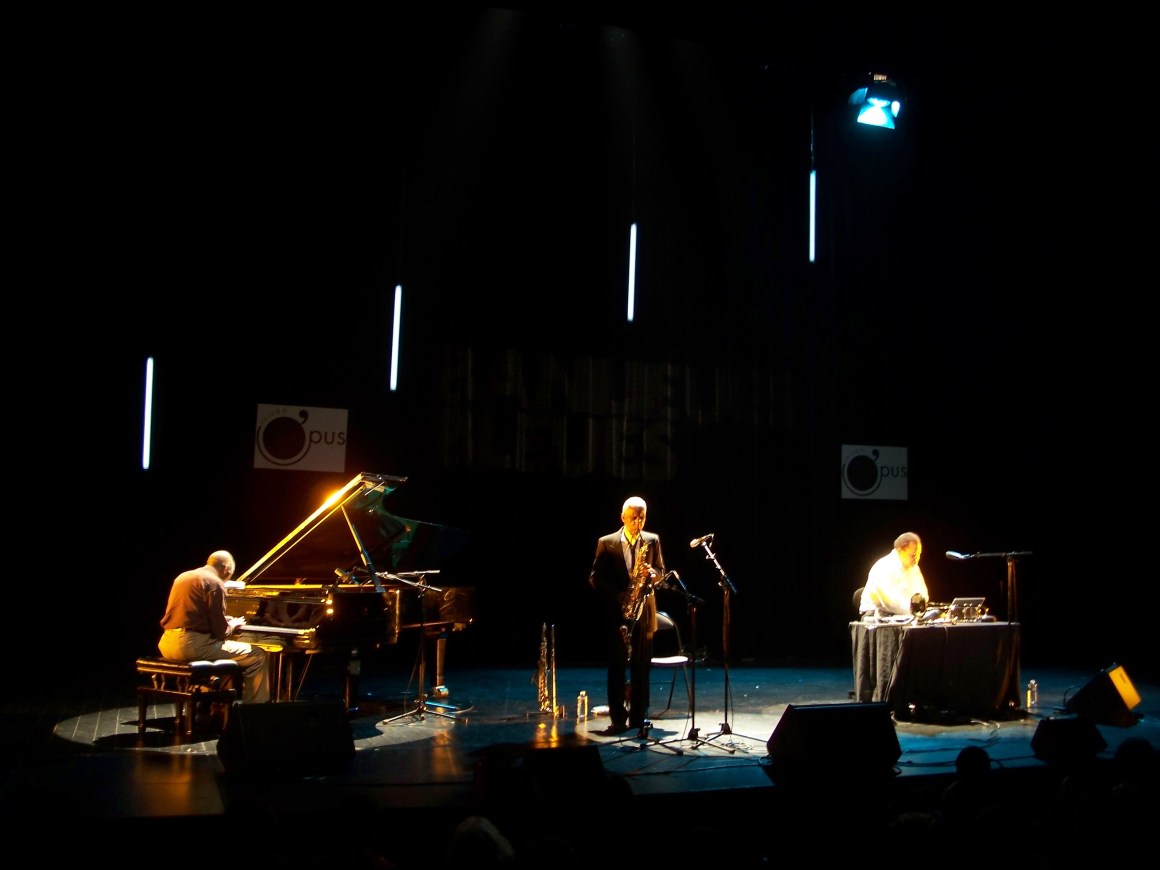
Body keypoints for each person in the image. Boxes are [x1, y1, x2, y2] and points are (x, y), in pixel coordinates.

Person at [588, 495, 666, 736]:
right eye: (634, 517)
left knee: (642, 668)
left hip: (644, 611)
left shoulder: (652, 540)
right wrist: (618, 595)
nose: (638, 522)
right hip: (618, 611)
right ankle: (618, 720)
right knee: (617, 667)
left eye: (642, 517)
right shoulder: (607, 542)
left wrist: (654, 574)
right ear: (623, 517)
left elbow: (662, 573)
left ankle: (638, 718)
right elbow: (595, 578)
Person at [157, 550, 270, 703]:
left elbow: (191, 613)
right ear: (227, 569)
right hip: (191, 646)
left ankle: (214, 708)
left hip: (167, 643)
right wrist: (233, 624)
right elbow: (221, 632)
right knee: (257, 655)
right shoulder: (215, 584)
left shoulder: (183, 576)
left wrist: (225, 619)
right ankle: (254, 712)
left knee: (224, 651)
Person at [859, 531, 930, 617]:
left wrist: (922, 609)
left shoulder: (915, 568)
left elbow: (922, 595)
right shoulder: (883, 566)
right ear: (900, 550)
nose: (917, 559)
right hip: (875, 614)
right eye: (913, 555)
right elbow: (890, 602)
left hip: (903, 613)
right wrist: (913, 613)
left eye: (919, 554)